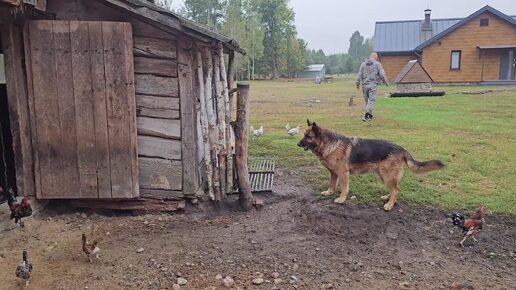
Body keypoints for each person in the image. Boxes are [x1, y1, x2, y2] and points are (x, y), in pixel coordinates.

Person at [355, 52, 388, 122]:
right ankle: (366, 113)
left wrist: (357, 84)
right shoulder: (377, 64)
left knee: (368, 102)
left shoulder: (363, 64)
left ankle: (368, 117)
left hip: (364, 86)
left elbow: (359, 75)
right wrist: (385, 82)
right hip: (373, 85)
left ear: (370, 56)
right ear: (376, 57)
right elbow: (382, 74)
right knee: (371, 101)